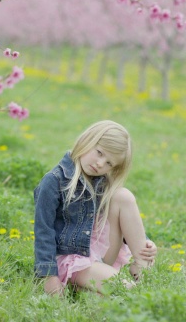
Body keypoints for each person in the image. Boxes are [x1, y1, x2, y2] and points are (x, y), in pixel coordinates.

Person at [34, 120, 157, 295]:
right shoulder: (54, 181)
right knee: (126, 290)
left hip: (97, 253)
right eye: (99, 153)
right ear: (88, 139)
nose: (101, 164)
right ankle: (86, 285)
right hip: (70, 258)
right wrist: (48, 276)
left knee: (124, 196)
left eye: (109, 164)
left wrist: (145, 241)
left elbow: (118, 221)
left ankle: (141, 267)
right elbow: (43, 231)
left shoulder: (103, 181)